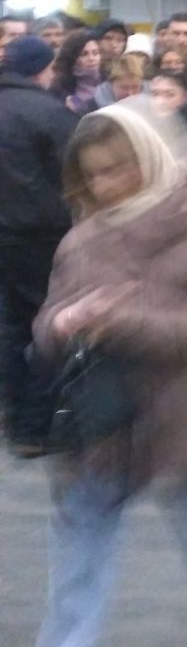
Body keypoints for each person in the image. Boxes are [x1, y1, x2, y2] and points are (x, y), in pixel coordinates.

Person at [3, 107, 187, 647]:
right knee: (75, 581)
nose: (107, 185)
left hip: (179, 415)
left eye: (119, 168)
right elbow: (46, 323)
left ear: (151, 155)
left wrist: (121, 324)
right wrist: (61, 325)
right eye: (94, 174)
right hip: (98, 425)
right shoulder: (79, 240)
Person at [0, 36, 78, 456]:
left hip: (8, 234)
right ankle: (34, 426)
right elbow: (75, 175)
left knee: (11, 328)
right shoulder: (49, 112)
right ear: (40, 69)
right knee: (48, 327)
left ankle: (14, 417)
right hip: (40, 237)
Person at [51, 28, 103, 114]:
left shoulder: (109, 81)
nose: (91, 58)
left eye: (95, 53)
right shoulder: (60, 87)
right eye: (84, 54)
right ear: (72, 57)